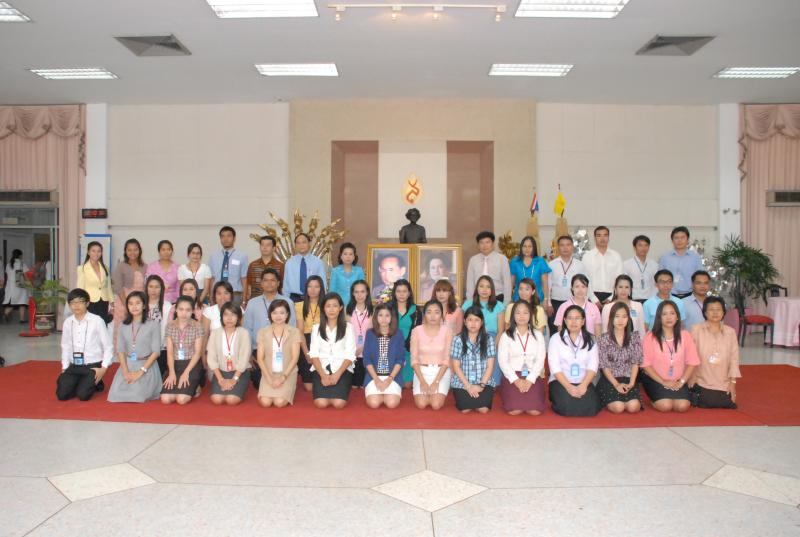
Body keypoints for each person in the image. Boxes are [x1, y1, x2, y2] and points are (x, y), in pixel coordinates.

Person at [641, 300, 700, 412]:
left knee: (683, 406)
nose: (669, 317)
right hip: (656, 379)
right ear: (659, 317)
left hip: (678, 380)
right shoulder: (650, 336)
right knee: (665, 406)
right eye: (664, 314)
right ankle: (654, 398)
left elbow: (692, 362)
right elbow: (645, 364)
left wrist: (682, 382)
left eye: (672, 313)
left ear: (677, 317)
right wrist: (663, 381)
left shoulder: (685, 335)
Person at [56, 288, 112, 401]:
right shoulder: (67, 322)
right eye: (73, 302)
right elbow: (65, 346)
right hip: (74, 365)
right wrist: (64, 367)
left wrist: (103, 368)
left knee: (83, 395)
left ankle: (95, 382)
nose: (76, 305)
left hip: (92, 365)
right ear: (69, 305)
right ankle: (85, 381)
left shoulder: (97, 321)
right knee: (62, 395)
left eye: (80, 302)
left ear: (87, 303)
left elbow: (108, 346)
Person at [244, 268, 296, 387]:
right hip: (258, 350)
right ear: (261, 283)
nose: (269, 283)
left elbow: (292, 329)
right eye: (266, 280)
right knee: (259, 384)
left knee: (281, 383)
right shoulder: (252, 303)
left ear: (278, 283)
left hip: (282, 350)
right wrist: (249, 353)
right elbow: (247, 329)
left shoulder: (287, 302)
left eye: (272, 280)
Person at [107, 291, 163, 403]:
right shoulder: (123, 325)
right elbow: (120, 350)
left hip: (146, 366)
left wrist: (140, 372)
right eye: (130, 303)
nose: (134, 306)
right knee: (115, 395)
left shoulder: (153, 325)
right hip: (128, 364)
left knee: (137, 395)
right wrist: (125, 372)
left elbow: (156, 352)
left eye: (137, 303)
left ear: (144, 305)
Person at [547, 305, 602, 417]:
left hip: (583, 380)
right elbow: (554, 367)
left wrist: (584, 385)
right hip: (561, 381)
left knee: (592, 407)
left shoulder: (591, 339)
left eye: (577, 318)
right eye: (570, 318)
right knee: (567, 407)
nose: (573, 322)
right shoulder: (555, 339)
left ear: (583, 321)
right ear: (564, 320)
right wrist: (569, 387)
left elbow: (593, 365)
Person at [497, 300, 547, 415]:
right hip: (512, 375)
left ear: (530, 315)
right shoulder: (506, 335)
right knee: (514, 410)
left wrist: (530, 379)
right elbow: (503, 361)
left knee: (534, 411)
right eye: (518, 313)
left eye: (525, 312)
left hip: (532, 375)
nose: (521, 316)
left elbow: (540, 360)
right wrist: (516, 380)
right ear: (513, 316)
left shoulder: (538, 335)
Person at [689, 296, 741, 409]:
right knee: (707, 400)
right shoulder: (696, 330)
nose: (715, 312)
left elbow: (734, 359)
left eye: (718, 309)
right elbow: (690, 357)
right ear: (705, 312)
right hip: (701, 381)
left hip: (723, 382)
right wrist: (692, 378)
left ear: (723, 312)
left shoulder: (730, 332)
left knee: (725, 402)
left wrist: (733, 384)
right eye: (711, 309)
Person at [308, 292, 356, 408]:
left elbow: (350, 354)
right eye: (328, 306)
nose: (331, 309)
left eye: (335, 306)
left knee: (338, 404)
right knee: (321, 403)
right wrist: (323, 375)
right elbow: (314, 354)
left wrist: (337, 375)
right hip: (321, 367)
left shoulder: (348, 328)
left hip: (342, 368)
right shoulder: (316, 328)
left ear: (340, 308)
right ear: (323, 308)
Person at [597, 302, 643, 414]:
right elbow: (604, 366)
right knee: (618, 407)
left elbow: (635, 363)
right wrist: (616, 384)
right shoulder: (603, 339)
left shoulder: (634, 338)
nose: (620, 320)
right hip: (610, 379)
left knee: (633, 407)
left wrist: (631, 383)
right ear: (611, 318)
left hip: (628, 378)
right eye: (617, 316)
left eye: (624, 316)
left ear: (628, 319)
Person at [450, 305, 497, 413]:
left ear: (482, 322)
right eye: (470, 320)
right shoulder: (457, 339)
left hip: (483, 381)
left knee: (484, 409)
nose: (473, 323)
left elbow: (490, 367)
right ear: (465, 322)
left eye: (477, 320)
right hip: (463, 382)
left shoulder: (489, 339)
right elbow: (456, 367)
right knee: (465, 409)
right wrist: (468, 386)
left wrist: (481, 385)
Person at [256, 299, 303, 407]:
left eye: (282, 313)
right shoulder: (262, 332)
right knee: (265, 402)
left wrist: (283, 377)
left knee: (279, 402)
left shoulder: (294, 332)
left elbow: (295, 358)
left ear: (287, 314)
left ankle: (290, 386)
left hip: (287, 373)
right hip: (268, 373)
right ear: (270, 314)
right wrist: (268, 378)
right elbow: (260, 358)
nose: (278, 316)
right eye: (275, 312)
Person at [160, 296, 205, 405]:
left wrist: (186, 373)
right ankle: (189, 385)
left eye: (188, 310)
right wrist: (171, 373)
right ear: (176, 309)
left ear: (193, 311)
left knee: (181, 400)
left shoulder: (197, 326)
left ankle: (196, 386)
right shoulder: (170, 326)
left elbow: (197, 353)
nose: (184, 313)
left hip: (192, 364)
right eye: (181, 309)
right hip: (175, 364)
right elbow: (170, 353)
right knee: (165, 399)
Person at [462, 275, 506, 385]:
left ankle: (491, 383)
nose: (485, 290)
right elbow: (463, 326)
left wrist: (493, 347)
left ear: (492, 290)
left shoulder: (499, 305)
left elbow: (501, 331)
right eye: (481, 286)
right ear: (477, 288)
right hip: (472, 338)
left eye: (488, 287)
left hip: (493, 339)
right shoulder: (468, 304)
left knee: (493, 380)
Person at [410, 300, 453, 410]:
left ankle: (438, 390)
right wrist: (422, 381)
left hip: (441, 372)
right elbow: (414, 359)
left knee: (436, 405)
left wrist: (436, 382)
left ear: (441, 315)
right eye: (429, 312)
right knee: (421, 404)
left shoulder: (448, 331)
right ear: (424, 314)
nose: (433, 316)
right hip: (421, 372)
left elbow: (447, 360)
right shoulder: (416, 331)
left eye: (436, 312)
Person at [362, 303, 406, 409]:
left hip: (392, 376)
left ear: (392, 317)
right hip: (374, 376)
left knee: (391, 404)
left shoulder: (398, 334)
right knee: (374, 403)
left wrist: (389, 379)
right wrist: (376, 380)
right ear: (376, 317)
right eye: (380, 315)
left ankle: (387, 394)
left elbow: (400, 359)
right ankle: (380, 394)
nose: (384, 319)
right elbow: (367, 359)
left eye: (387, 315)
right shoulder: (370, 334)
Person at [207, 303, 251, 405]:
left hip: (239, 372)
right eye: (226, 314)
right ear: (221, 317)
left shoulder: (243, 333)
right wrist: (220, 379)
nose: (229, 318)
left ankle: (239, 386)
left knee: (231, 400)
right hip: (220, 372)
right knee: (216, 399)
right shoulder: (215, 333)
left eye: (233, 315)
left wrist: (234, 379)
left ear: (238, 317)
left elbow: (244, 359)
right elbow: (211, 358)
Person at [546, 235, 591, 335]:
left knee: (575, 330)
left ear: (572, 247)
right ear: (558, 247)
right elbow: (548, 285)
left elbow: (586, 284)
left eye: (568, 245)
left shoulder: (580, 265)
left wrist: (586, 302)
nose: (565, 248)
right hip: (555, 303)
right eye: (562, 245)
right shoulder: (551, 264)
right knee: (555, 331)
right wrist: (548, 303)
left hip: (574, 302)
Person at [112, 239, 146, 351]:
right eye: (129, 250)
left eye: (135, 249)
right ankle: (121, 355)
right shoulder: (121, 266)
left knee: (138, 330)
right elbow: (118, 287)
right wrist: (127, 305)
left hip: (140, 303)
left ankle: (137, 354)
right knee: (122, 330)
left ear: (139, 250)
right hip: (123, 302)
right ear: (125, 251)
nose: (132, 252)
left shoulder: (145, 266)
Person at [295, 275, 325, 392]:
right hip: (306, 341)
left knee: (322, 382)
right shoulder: (299, 305)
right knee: (309, 387)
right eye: (310, 286)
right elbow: (300, 332)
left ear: (321, 288)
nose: (312, 290)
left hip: (323, 341)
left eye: (316, 286)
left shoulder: (326, 304)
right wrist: (307, 353)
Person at [465, 231, 512, 304]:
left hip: (497, 298)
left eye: (487, 242)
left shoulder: (502, 259)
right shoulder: (473, 260)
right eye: (481, 243)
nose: (484, 245)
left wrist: (505, 304)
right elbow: (470, 284)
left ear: (493, 244)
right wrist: (470, 303)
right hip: (478, 299)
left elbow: (507, 283)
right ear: (478, 245)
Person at [581, 226, 623, 306]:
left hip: (612, 296)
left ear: (609, 237)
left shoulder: (616, 256)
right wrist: (594, 299)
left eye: (605, 235)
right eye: (599, 235)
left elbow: (619, 279)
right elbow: (585, 279)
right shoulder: (587, 256)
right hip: (591, 296)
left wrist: (611, 298)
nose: (602, 238)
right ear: (594, 238)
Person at [658, 226, 703, 298]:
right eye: (676, 238)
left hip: (690, 296)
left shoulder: (695, 257)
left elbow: (700, 277)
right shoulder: (665, 258)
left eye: (682, 237)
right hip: (670, 296)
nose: (679, 240)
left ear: (687, 240)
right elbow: (660, 278)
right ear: (672, 240)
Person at [209, 226, 249, 307]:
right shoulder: (213, 256)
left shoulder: (242, 256)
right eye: (223, 236)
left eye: (229, 236)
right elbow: (212, 278)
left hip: (235, 295)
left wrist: (244, 301)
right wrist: (211, 298)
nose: (225, 239)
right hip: (218, 295)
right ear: (220, 239)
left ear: (234, 238)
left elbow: (244, 279)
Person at [392, 279, 421, 388]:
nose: (401, 294)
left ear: (409, 293)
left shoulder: (416, 310)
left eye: (404, 291)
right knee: (393, 383)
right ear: (394, 293)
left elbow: (418, 332)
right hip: (392, 350)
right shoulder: (388, 308)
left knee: (407, 385)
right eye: (398, 291)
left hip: (409, 350)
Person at [76, 241, 113, 323]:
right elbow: (80, 289)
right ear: (88, 252)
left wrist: (112, 302)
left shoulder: (105, 268)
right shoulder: (82, 268)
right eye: (93, 251)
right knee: (91, 325)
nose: (96, 253)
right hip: (89, 302)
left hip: (104, 301)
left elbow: (108, 287)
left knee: (103, 324)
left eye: (99, 251)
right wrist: (81, 303)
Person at [283, 233, 326, 302]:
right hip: (294, 299)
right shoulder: (289, 263)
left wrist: (322, 301)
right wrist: (286, 301)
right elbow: (286, 285)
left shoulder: (318, 262)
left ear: (309, 244)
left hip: (313, 298)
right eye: (298, 243)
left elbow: (323, 283)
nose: (301, 245)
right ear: (295, 245)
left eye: (304, 242)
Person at [346, 280, 373, 387]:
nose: (359, 295)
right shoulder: (347, 311)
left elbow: (373, 335)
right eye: (356, 292)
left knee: (364, 386)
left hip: (368, 353)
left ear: (367, 293)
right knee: (353, 386)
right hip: (352, 354)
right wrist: (353, 351)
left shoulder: (373, 311)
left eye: (362, 291)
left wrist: (362, 349)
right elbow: (345, 335)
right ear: (353, 294)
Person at [509, 236, 551, 304]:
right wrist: (509, 298)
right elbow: (511, 283)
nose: (527, 249)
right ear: (521, 247)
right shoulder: (515, 261)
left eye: (530, 246)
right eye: (524, 246)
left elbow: (545, 284)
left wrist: (546, 300)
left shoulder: (540, 261)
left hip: (537, 299)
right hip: (518, 299)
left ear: (534, 248)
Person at [244, 235, 285, 304]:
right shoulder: (252, 265)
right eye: (262, 245)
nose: (265, 247)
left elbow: (282, 286)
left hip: (275, 303)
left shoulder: (280, 266)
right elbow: (248, 285)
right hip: (256, 301)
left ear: (274, 248)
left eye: (268, 245)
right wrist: (245, 301)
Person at [145, 275, 172, 375]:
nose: (153, 290)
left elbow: (168, 330)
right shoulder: (141, 305)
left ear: (162, 289)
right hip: (143, 349)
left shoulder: (167, 306)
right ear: (146, 288)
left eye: (157, 287)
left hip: (161, 349)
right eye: (151, 286)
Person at [622, 235, 659, 302]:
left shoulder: (654, 265)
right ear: (634, 247)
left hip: (650, 300)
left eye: (646, 245)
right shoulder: (626, 264)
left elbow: (656, 284)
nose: (643, 248)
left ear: (649, 247)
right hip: (633, 300)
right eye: (640, 245)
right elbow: (624, 284)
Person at [329, 242, 365, 307]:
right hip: (339, 306)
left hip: (356, 305)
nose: (348, 257)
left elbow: (363, 290)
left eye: (351, 254)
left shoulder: (359, 271)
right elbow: (332, 291)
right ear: (341, 256)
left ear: (354, 257)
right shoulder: (335, 271)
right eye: (345, 254)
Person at [2, 249, 29, 323]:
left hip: (10, 286)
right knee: (22, 302)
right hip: (20, 285)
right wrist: (29, 283)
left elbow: (7, 275)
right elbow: (26, 275)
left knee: (13, 303)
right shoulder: (22, 264)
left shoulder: (8, 264)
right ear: (20, 255)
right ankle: (21, 319)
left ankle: (5, 314)